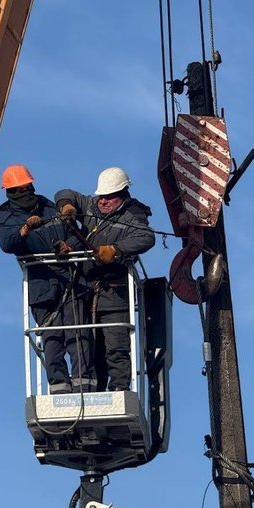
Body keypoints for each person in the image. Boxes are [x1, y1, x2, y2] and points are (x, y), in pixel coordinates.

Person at [0, 164, 95, 394]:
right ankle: (59, 387)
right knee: (52, 337)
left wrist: (68, 247)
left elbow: (77, 235)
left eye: (27, 187)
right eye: (20, 189)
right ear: (11, 191)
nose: (26, 192)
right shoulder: (6, 217)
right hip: (41, 284)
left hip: (70, 281)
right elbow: (7, 244)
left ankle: (85, 385)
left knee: (78, 332)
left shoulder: (49, 208)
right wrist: (24, 229)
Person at [55, 167, 155, 392]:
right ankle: (94, 391)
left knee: (116, 345)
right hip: (87, 293)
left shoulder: (132, 217)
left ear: (122, 194)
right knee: (90, 348)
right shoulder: (91, 205)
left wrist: (115, 249)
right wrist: (67, 205)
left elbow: (147, 238)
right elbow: (65, 192)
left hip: (114, 295)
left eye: (109, 197)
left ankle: (119, 388)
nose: (103, 201)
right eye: (101, 196)